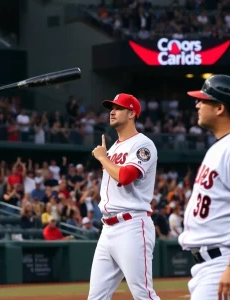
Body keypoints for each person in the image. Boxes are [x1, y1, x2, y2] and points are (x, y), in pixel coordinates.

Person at [178, 75, 230, 300]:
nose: (197, 104)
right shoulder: (225, 144)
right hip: (213, 263)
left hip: (225, 260)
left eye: (203, 100)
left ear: (219, 108)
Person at [89, 93, 159, 299]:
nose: (112, 111)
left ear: (131, 114)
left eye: (118, 108)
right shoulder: (114, 147)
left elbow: (126, 176)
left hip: (132, 225)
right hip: (108, 228)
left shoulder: (143, 144)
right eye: (111, 108)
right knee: (96, 297)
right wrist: (106, 155)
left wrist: (102, 157)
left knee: (143, 294)